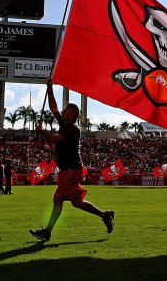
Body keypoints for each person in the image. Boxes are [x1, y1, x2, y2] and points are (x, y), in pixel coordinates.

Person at [30, 80, 113, 241]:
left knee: (58, 199)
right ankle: (105, 215)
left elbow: (55, 138)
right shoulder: (64, 123)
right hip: (69, 169)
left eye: (66, 111)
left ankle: (47, 232)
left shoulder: (72, 129)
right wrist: (50, 89)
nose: (63, 111)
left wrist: (41, 131)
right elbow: (53, 107)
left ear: (72, 116)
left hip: (71, 170)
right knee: (76, 202)